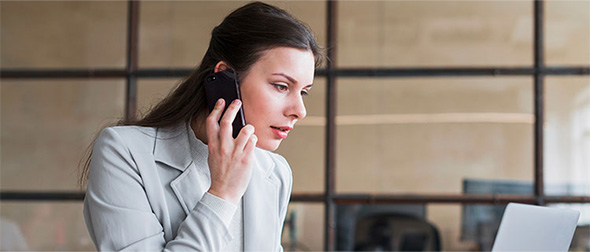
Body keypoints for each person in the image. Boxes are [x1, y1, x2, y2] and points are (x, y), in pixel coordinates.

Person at [80, 2, 324, 251]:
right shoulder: (124, 152)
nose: (300, 111)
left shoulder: (274, 172)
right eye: (281, 86)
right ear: (225, 78)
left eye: (303, 92)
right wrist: (222, 194)